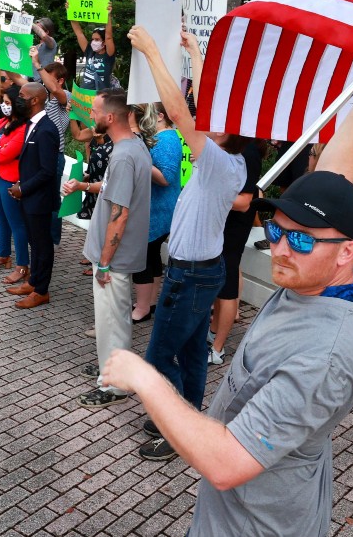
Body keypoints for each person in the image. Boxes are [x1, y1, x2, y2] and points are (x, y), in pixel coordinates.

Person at [102, 43, 353, 535]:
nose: (281, 248)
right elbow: (334, 183)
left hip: (258, 524)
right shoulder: (328, 274)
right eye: (279, 230)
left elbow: (226, 462)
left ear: (347, 251)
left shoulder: (322, 359)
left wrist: (147, 378)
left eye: (301, 239)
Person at [125, 26, 248, 462]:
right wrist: (196, 53)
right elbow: (201, 106)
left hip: (192, 274)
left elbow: (178, 112)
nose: (210, 122)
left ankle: (178, 425)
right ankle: (192, 416)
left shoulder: (217, 161)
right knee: (193, 352)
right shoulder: (225, 159)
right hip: (198, 270)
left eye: (221, 124)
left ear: (235, 135)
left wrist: (153, 50)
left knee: (158, 358)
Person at [61, 87, 150, 406]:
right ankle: (110, 368)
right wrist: (84, 185)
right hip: (114, 255)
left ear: (109, 117)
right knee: (114, 317)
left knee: (112, 320)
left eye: (96, 112)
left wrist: (105, 262)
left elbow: (120, 213)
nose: (92, 117)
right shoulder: (130, 146)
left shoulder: (125, 154)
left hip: (114, 257)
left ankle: (114, 385)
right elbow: (113, 190)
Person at [5, 82, 62, 309]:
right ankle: (34, 281)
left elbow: (47, 171)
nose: (17, 98)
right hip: (29, 195)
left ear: (35, 100)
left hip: (39, 198)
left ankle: (41, 290)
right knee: (34, 243)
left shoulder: (47, 128)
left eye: (21, 95)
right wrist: (21, 184)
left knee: (42, 245)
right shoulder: (31, 124)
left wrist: (24, 188)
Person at [209, 138, 263, 365]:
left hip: (235, 224)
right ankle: (212, 332)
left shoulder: (248, 151)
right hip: (225, 221)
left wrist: (209, 194)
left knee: (228, 282)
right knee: (221, 280)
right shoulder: (234, 147)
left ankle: (218, 348)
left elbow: (244, 202)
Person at [132, 103, 182, 322]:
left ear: (160, 116)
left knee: (143, 258)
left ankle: (142, 308)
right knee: (151, 257)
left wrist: (141, 159)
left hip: (158, 209)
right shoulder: (165, 137)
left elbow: (165, 177)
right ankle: (149, 303)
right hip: (158, 208)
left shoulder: (167, 139)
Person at [0, 85, 31, 283]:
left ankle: (22, 266)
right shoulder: (2, 121)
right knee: (1, 219)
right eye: (3, 102)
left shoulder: (22, 127)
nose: (4, 106)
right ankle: (3, 255)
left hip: (9, 178)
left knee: (16, 223)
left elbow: (4, 154)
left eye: (8, 102)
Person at [35, 53, 70, 246]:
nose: (44, 79)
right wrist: (4, 60)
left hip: (55, 156)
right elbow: (18, 80)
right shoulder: (41, 97)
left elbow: (55, 89)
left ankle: (52, 239)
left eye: (49, 75)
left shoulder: (65, 97)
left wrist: (37, 64)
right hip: (36, 154)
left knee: (52, 198)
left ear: (61, 79)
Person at [70, 15, 116, 91]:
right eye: (93, 39)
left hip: (100, 98)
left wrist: (108, 15)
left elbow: (109, 37)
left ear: (104, 42)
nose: (94, 42)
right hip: (84, 97)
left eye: (97, 39)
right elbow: (79, 33)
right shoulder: (90, 51)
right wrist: (70, 12)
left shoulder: (108, 56)